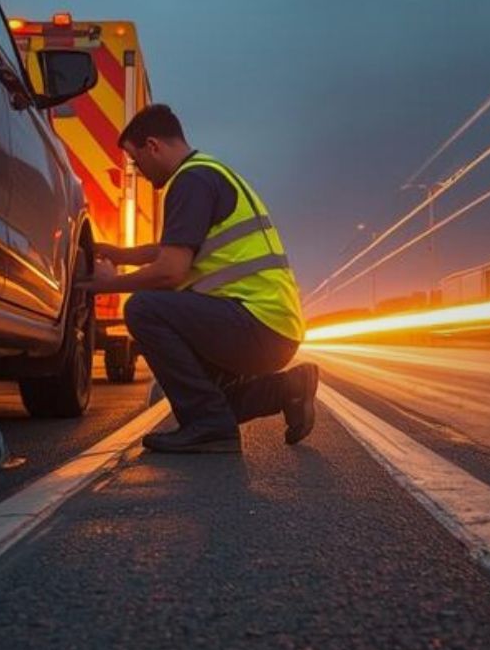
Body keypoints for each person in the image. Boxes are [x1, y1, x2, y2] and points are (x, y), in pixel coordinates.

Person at [81, 103, 317, 455]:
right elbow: (172, 247)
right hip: (272, 326)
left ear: (153, 146)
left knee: (144, 308)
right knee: (214, 400)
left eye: (135, 160)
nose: (138, 171)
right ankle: (288, 389)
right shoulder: (208, 172)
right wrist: (121, 255)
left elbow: (171, 270)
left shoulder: (190, 182)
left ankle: (209, 427)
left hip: (254, 325)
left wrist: (97, 287)